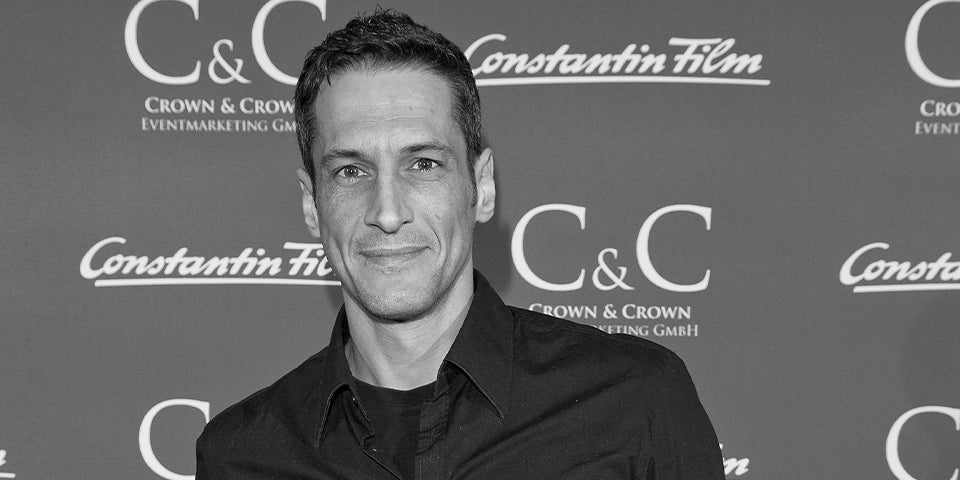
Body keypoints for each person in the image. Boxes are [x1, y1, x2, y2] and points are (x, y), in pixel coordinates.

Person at [196, 9, 723, 480]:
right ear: (312, 204)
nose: (387, 213)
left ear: (481, 187)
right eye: (351, 171)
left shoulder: (634, 400)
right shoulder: (240, 455)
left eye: (423, 164)